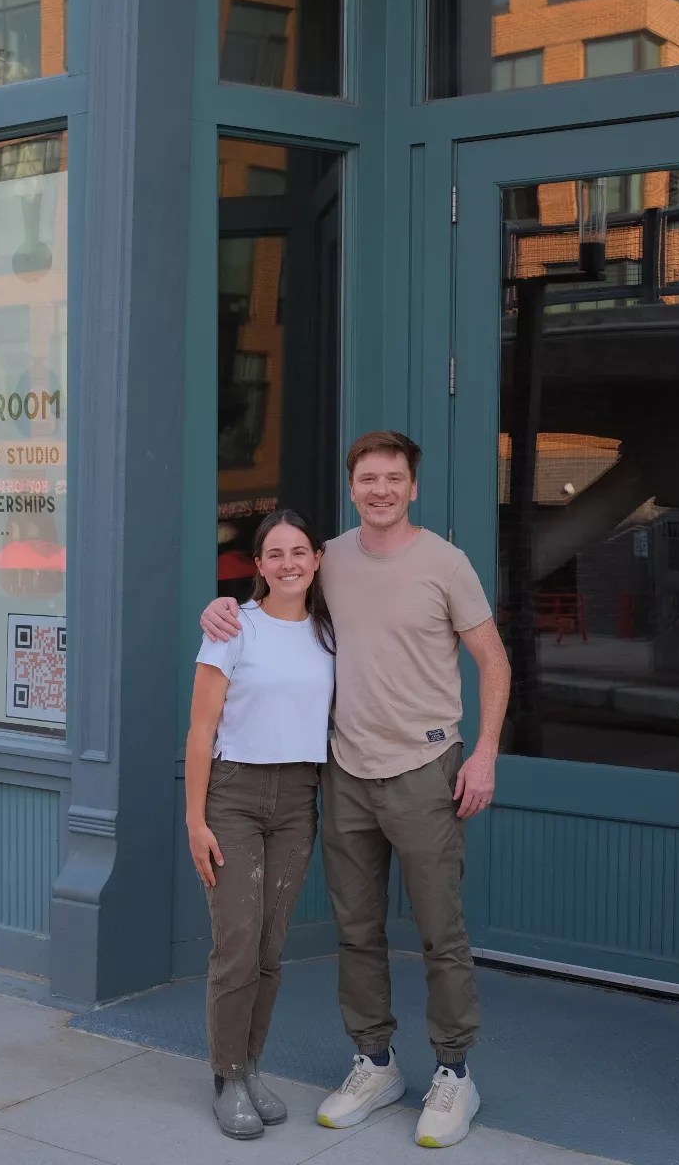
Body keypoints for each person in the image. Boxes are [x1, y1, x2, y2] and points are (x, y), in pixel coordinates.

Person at [201, 431, 511, 1149]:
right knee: (358, 930)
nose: (380, 490)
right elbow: (267, 605)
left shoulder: (446, 563)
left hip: (427, 768)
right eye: (367, 478)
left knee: (441, 931)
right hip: (344, 772)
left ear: (413, 487)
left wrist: (485, 753)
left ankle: (455, 1073)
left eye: (393, 478)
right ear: (352, 488)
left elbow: (493, 662)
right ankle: (375, 1061)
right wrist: (215, 609)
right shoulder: (328, 557)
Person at [186, 509, 337, 1140]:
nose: (289, 563)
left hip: (299, 795)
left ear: (317, 561)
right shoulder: (232, 628)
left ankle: (251, 1066)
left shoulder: (331, 632)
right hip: (235, 794)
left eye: (299, 552)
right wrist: (195, 820)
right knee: (237, 943)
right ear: (259, 565)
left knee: (272, 947)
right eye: (275, 554)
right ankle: (225, 1076)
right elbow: (200, 730)